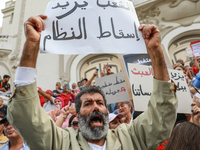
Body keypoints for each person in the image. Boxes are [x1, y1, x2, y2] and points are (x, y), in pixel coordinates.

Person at [7, 15, 178, 150]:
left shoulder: (131, 137)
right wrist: (31, 44)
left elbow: (161, 114)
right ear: (78, 113)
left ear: (106, 110)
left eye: (100, 103)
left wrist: (156, 52)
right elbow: (28, 118)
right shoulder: (61, 142)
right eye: (87, 103)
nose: (96, 107)